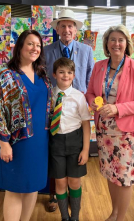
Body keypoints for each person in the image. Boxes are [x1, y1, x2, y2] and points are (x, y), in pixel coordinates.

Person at [0, 30, 52, 221]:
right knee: (14, 189)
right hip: (16, 143)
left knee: (33, 187)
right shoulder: (5, 76)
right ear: (20, 47)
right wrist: (3, 143)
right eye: (30, 44)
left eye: (38, 45)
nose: (35, 48)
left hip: (40, 142)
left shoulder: (42, 75)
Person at [85, 25, 134, 221]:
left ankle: (120, 218)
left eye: (120, 40)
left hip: (126, 133)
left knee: (124, 177)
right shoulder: (99, 67)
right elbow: (90, 93)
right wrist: (94, 104)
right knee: (111, 173)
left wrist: (117, 108)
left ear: (127, 44)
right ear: (106, 44)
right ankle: (113, 213)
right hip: (104, 130)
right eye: (112, 39)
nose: (116, 43)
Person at [44, 9, 94, 212]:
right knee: (55, 153)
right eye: (63, 25)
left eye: (70, 26)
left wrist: (88, 101)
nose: (67, 29)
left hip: (77, 103)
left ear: (76, 30)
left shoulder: (86, 50)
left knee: (73, 160)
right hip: (54, 104)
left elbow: (89, 77)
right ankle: (53, 196)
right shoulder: (46, 50)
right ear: (57, 29)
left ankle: (72, 207)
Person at [49, 57, 91, 221]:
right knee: (60, 183)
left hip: (75, 143)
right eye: (61, 72)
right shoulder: (50, 95)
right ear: (54, 74)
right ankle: (64, 217)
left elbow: (86, 124)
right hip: (56, 144)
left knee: (74, 182)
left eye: (69, 72)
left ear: (73, 75)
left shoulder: (78, 96)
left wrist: (86, 150)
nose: (65, 75)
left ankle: (75, 217)